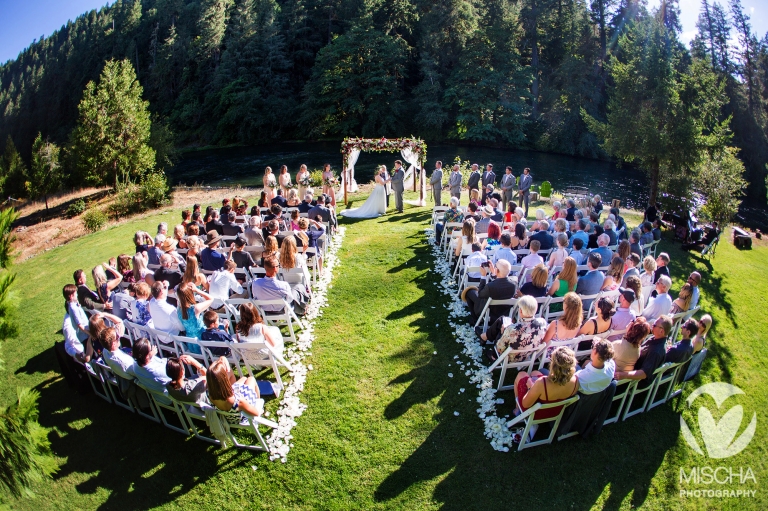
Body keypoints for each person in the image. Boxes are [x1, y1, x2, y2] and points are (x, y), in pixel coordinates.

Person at [513, 346, 579, 419]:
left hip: (535, 413)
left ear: (554, 365)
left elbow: (525, 404)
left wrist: (529, 387)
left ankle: (518, 409)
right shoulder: (576, 381)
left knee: (521, 374)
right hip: (554, 412)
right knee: (535, 373)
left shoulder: (542, 382)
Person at [615, 315, 672, 385]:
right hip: (631, 366)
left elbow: (643, 373)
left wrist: (624, 375)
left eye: (654, 325)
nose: (652, 325)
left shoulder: (656, 351)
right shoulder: (655, 338)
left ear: (661, 331)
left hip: (635, 381)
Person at [206, 357, 264, 421]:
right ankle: (258, 401)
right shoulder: (238, 401)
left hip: (228, 416)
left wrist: (222, 358)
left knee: (244, 378)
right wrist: (258, 410)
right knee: (251, 379)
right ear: (224, 379)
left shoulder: (209, 394)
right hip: (240, 417)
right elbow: (255, 413)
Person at [464, 259, 517, 326]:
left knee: (470, 292)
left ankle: (475, 319)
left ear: (497, 270)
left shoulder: (490, 286)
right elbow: (501, 283)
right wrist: (494, 274)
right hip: (504, 312)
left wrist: (483, 276)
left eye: (495, 266)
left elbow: (480, 294)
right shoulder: (514, 284)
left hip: (490, 311)